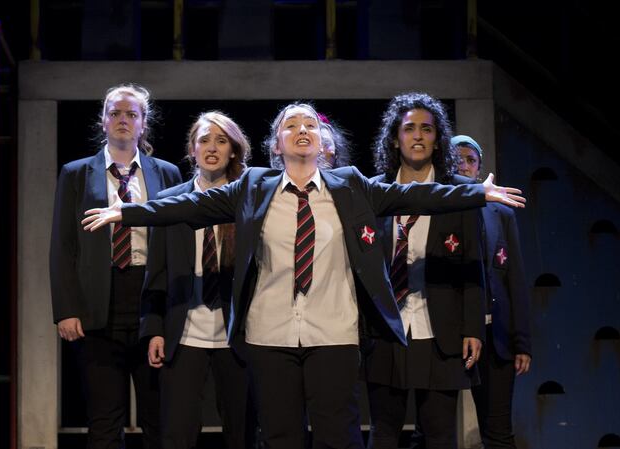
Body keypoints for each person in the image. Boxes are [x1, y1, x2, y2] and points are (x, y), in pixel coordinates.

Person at [81, 102, 525, 449]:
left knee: (338, 437)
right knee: (280, 438)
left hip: (334, 331)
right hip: (269, 333)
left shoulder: (350, 184)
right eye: (291, 125)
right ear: (277, 144)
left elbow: (414, 194)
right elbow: (188, 206)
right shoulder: (254, 185)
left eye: (310, 124)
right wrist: (128, 212)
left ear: (320, 139)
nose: (302, 131)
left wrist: (473, 192)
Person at [49, 84, 182, 449]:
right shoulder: (77, 173)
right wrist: (66, 309)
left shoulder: (166, 173)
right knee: (105, 419)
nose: (123, 120)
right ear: (103, 121)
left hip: (151, 302)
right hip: (97, 302)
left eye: (131, 115)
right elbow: (63, 245)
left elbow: (176, 243)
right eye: (115, 113)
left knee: (159, 416)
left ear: (143, 124)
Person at [365, 92, 485, 449]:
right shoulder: (374, 190)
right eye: (409, 128)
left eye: (427, 129)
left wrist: (473, 328)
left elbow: (473, 264)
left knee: (440, 435)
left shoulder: (461, 192)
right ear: (395, 137)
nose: (418, 136)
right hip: (387, 331)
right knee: (383, 433)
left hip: (441, 331)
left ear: (437, 139)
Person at [140, 111, 257, 449]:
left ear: (233, 150)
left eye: (222, 141)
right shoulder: (169, 202)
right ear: (192, 149)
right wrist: (154, 329)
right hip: (184, 333)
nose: (212, 147)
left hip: (237, 336)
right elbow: (156, 272)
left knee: (242, 432)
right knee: (177, 433)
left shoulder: (248, 202)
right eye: (204, 140)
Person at [453, 134, 532, 449]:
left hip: (494, 336)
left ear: (479, 167)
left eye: (471, 160)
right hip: (449, 334)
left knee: (498, 430)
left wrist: (521, 342)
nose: (464, 165)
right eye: (457, 159)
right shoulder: (435, 207)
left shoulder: (501, 213)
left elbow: (515, 279)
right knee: (432, 429)